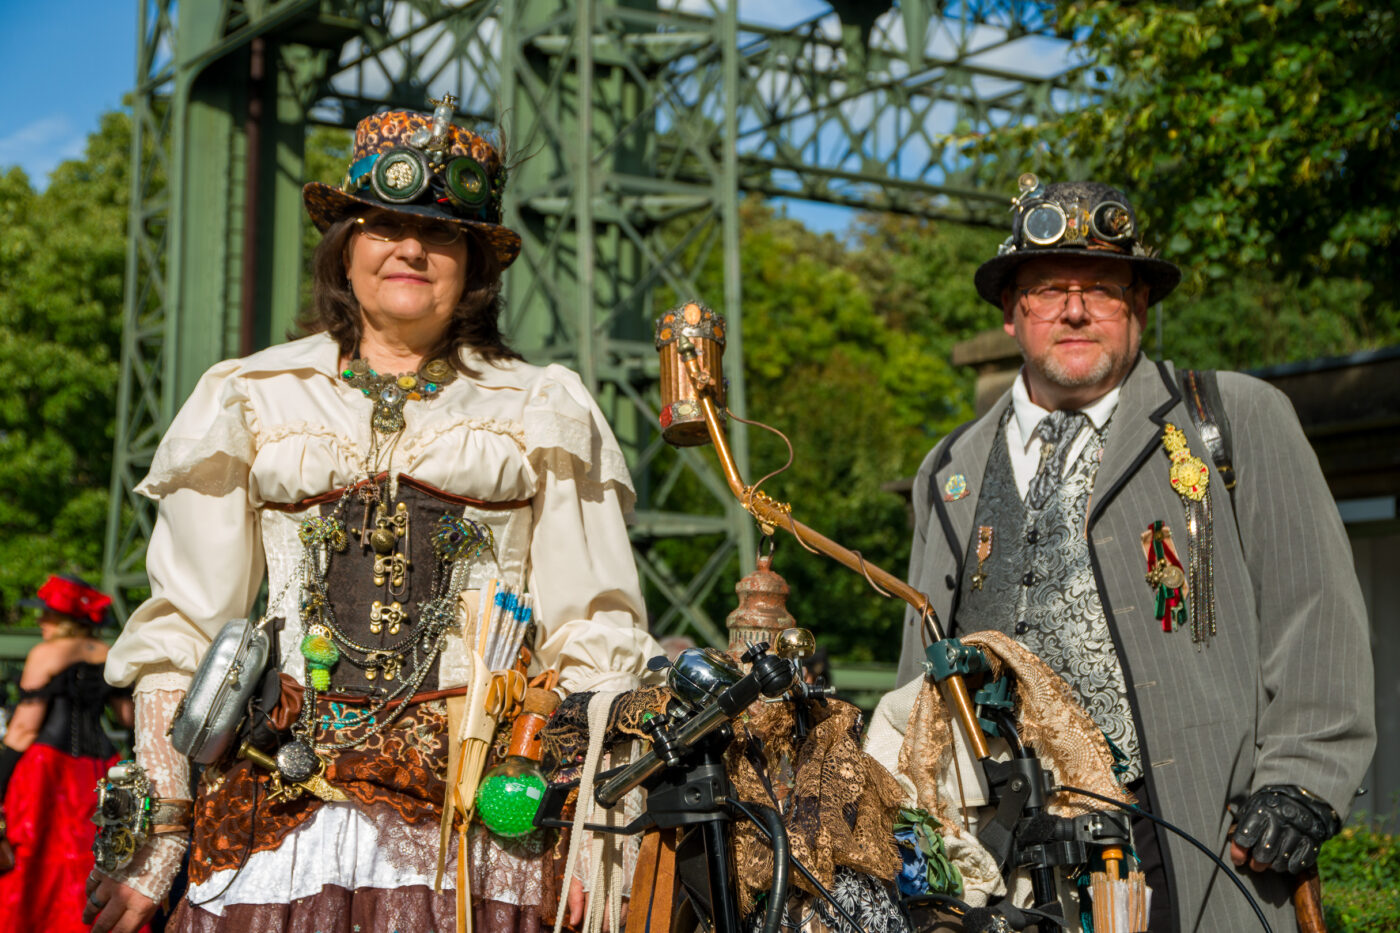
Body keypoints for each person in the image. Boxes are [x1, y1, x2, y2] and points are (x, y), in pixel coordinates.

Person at [85, 98, 661, 933]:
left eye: (442, 234)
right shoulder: (250, 397)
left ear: (475, 265)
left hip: (477, 814)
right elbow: (185, 629)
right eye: (383, 225)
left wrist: (599, 838)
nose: (411, 248)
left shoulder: (541, 405)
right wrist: (161, 836)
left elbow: (594, 635)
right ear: (345, 248)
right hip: (278, 799)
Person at [892, 178, 1375, 931]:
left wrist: (1304, 783)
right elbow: (918, 675)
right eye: (1050, 288)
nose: (1075, 309)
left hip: (1184, 842)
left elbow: (1317, 614)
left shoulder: (1235, 420)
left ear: (1139, 308)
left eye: (1104, 289)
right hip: (998, 863)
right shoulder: (949, 468)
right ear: (1013, 312)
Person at [0, 575, 134, 933]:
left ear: (66, 621)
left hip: (47, 771)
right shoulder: (111, 654)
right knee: (98, 856)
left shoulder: (45, 654)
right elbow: (128, 718)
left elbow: (24, 728)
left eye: (46, 616)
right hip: (99, 770)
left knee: (36, 857)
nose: (39, 622)